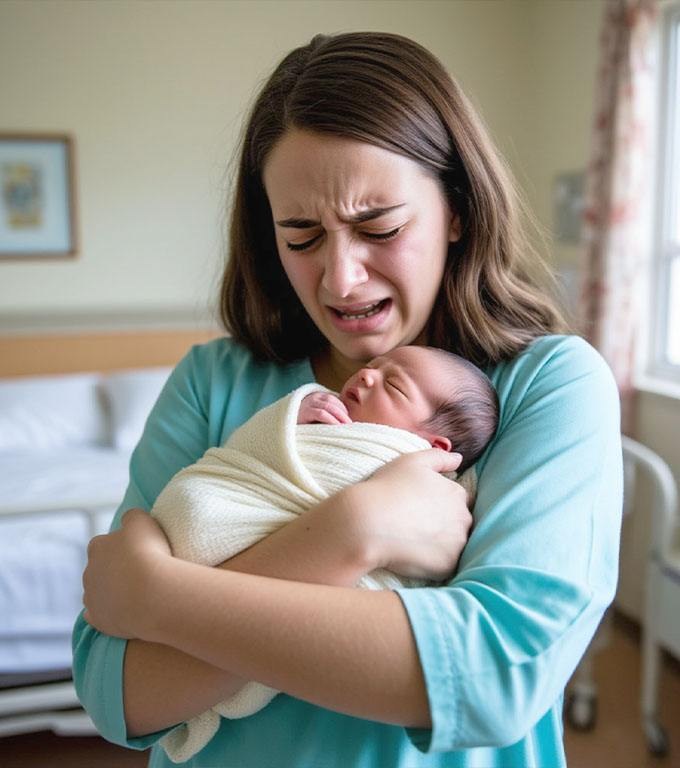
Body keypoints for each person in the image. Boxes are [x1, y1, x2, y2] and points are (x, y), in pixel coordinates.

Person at [75, 31, 622, 768]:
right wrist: (354, 532)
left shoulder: (545, 385)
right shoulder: (213, 382)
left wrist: (157, 598)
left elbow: (491, 680)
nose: (340, 281)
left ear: (456, 209)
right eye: (301, 236)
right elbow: (116, 690)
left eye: (379, 228)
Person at [148, 345, 498, 761]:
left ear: (435, 447)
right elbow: (252, 453)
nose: (367, 376)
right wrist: (290, 417)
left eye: (394, 386)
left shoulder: (431, 479)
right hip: (227, 512)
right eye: (372, 367)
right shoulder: (315, 414)